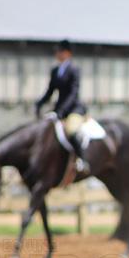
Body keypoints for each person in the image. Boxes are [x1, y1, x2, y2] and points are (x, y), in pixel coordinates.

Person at [35, 39, 88, 170]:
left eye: (59, 51)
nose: (57, 53)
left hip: (74, 109)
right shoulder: (55, 71)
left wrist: (62, 110)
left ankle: (81, 159)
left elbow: (73, 93)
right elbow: (50, 92)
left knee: (71, 130)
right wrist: (39, 103)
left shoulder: (74, 70)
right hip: (59, 109)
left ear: (67, 53)